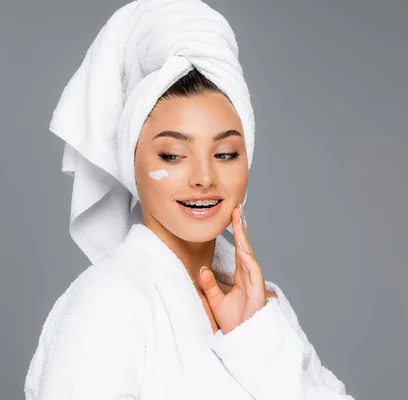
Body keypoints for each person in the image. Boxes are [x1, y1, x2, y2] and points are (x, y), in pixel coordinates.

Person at [25, 1, 355, 399]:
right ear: (132, 163)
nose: (204, 178)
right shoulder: (107, 305)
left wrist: (256, 341)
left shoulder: (261, 310)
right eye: (173, 156)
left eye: (226, 154)